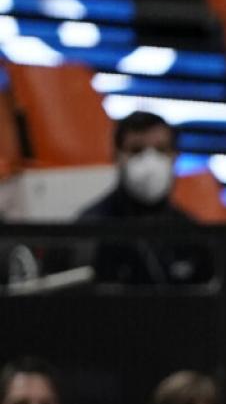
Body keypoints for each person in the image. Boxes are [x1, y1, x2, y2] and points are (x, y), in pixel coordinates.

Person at [75, 111, 210, 286]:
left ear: (175, 157)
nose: (150, 161)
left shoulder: (194, 235)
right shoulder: (88, 232)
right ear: (117, 157)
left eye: (161, 150)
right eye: (136, 150)